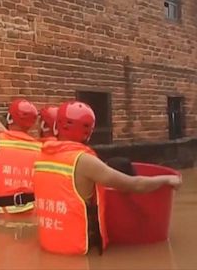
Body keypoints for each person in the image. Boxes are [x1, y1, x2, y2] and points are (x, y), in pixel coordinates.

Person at [33, 101, 182, 255]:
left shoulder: (41, 154)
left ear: (56, 127)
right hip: (78, 250)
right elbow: (135, 185)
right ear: (89, 133)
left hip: (49, 245)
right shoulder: (84, 161)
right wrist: (167, 180)